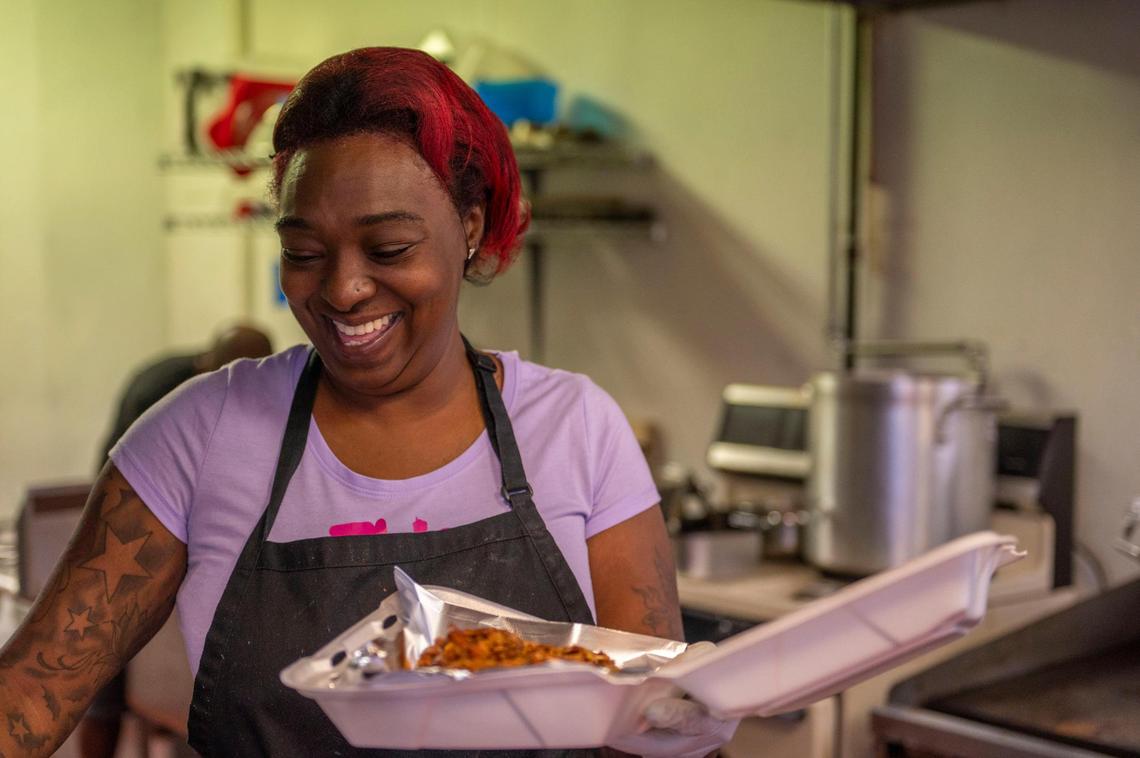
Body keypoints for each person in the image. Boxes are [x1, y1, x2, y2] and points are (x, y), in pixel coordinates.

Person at [0, 48, 734, 757]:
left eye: (387, 249)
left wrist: (682, 729)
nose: (344, 290)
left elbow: (647, 716)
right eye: (305, 253)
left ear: (470, 229)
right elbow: (25, 699)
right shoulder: (198, 436)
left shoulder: (578, 431)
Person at [78, 324, 273, 758]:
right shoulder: (167, 397)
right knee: (106, 649)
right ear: (206, 366)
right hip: (127, 524)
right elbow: (135, 493)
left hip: (198, 525)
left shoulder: (254, 393)